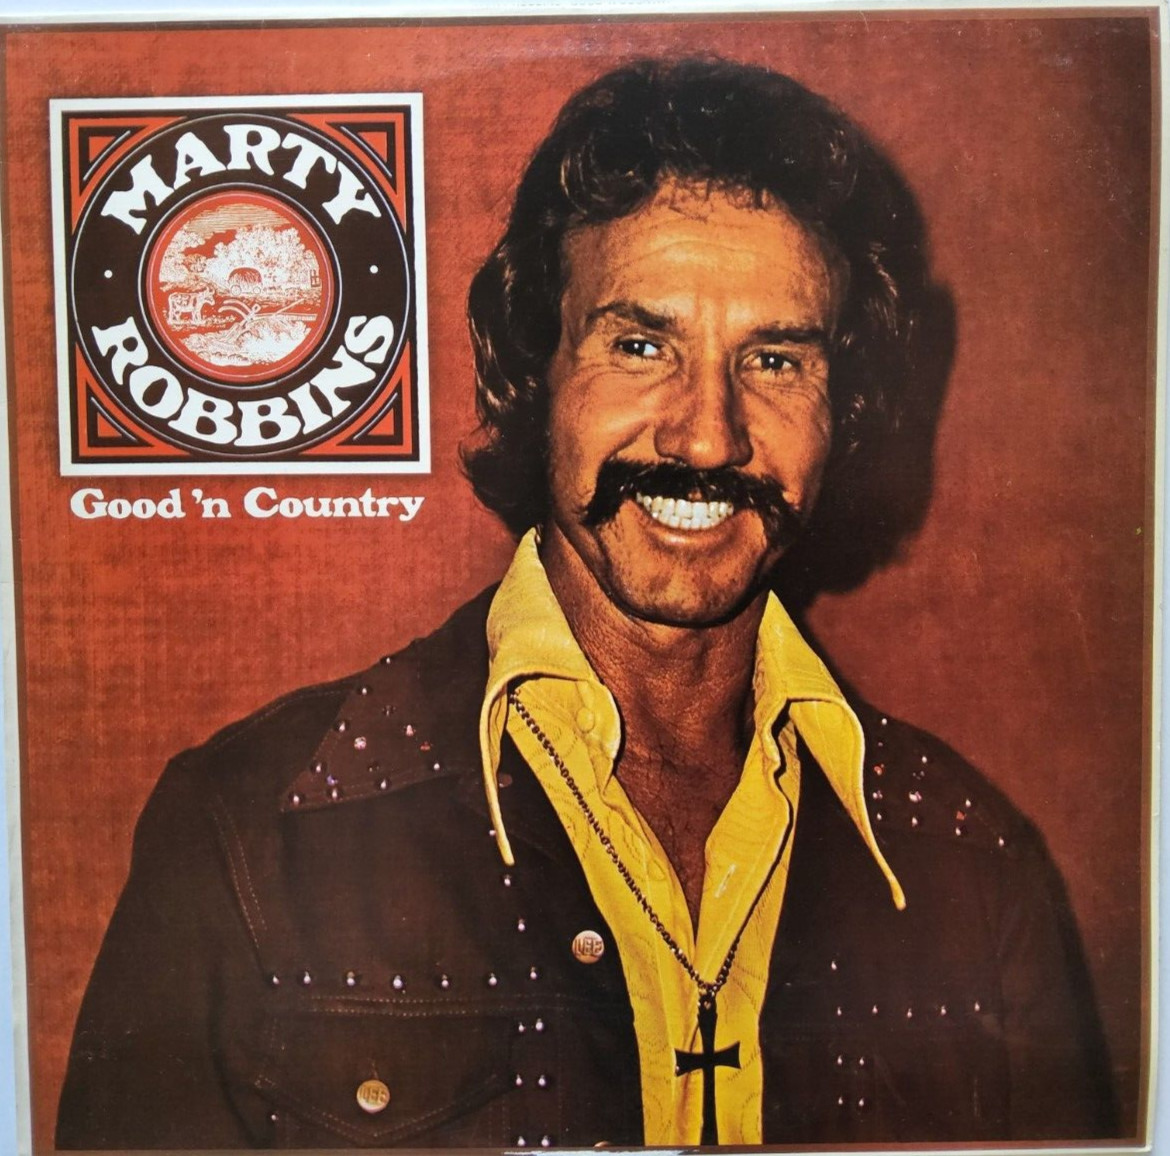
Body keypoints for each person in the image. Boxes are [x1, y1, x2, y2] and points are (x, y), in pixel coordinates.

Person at [57, 58, 1117, 1149]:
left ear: (844, 409)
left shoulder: (976, 866)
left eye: (774, 360)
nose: (707, 436)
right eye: (641, 346)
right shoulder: (248, 832)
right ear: (535, 374)